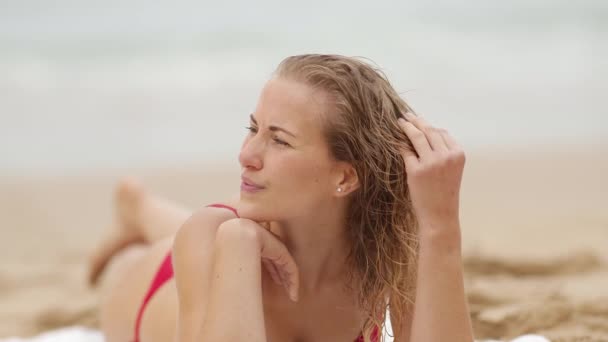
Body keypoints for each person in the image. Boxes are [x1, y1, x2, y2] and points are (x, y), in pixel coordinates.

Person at [88, 54, 475, 342]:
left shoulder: (385, 249)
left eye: (279, 140)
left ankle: (139, 208)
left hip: (242, 238)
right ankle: (137, 206)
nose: (245, 154)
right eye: (252, 128)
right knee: (193, 234)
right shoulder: (215, 234)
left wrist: (441, 225)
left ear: (345, 176)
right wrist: (240, 241)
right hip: (148, 293)